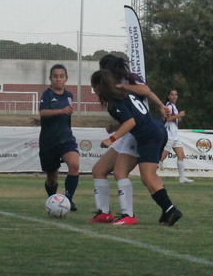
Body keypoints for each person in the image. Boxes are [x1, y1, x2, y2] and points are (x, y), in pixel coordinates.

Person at [92, 69, 182, 226]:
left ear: (100, 87)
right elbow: (133, 116)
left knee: (146, 176)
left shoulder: (115, 102)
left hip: (149, 136)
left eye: (94, 88)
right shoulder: (123, 93)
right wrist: (114, 127)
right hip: (153, 130)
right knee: (148, 176)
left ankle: (132, 215)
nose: (95, 92)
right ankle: (169, 211)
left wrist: (111, 139)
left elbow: (131, 122)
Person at [35, 64, 81, 210]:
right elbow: (43, 112)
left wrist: (58, 114)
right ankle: (52, 200)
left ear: (66, 78)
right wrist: (60, 112)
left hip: (66, 138)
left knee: (74, 165)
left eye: (61, 76)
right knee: (52, 178)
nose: (58, 79)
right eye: (55, 76)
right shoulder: (47, 94)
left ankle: (68, 199)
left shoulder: (69, 95)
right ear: (50, 78)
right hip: (49, 141)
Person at [161, 89, 193, 183]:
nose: (174, 96)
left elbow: (174, 119)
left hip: (175, 134)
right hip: (169, 134)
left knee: (181, 155)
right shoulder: (168, 106)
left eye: (175, 95)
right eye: (172, 95)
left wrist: (178, 118)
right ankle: (150, 173)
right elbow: (169, 118)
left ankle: (182, 177)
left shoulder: (174, 106)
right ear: (168, 96)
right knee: (162, 156)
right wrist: (179, 115)